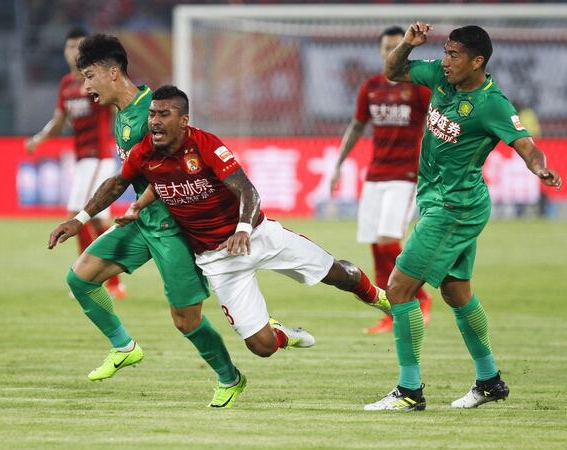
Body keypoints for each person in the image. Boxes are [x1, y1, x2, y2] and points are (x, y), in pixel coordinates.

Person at [50, 85, 393, 372]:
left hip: (258, 236)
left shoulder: (206, 145)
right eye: (152, 114)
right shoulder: (144, 153)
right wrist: (83, 218)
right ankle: (285, 335)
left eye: (163, 114)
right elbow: (117, 184)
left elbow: (248, 190)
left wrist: (243, 228)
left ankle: (380, 298)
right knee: (261, 347)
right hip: (218, 259)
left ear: (183, 120)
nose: (153, 121)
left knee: (338, 274)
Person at [47, 34, 266, 408]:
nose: (85, 86)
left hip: (174, 230)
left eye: (89, 76)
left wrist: (131, 206)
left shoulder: (155, 112)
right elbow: (126, 177)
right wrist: (82, 218)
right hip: (143, 223)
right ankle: (124, 346)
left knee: (186, 321)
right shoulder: (122, 116)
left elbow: (176, 169)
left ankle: (230, 377)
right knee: (80, 278)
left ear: (112, 72)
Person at [364, 23, 562, 411]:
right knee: (456, 292)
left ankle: (409, 391)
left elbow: (526, 145)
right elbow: (393, 71)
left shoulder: (493, 105)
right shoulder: (441, 76)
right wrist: (407, 44)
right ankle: (489, 381)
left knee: (400, 289)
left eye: (454, 55)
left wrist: (540, 168)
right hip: (442, 200)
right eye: (445, 52)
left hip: (455, 207)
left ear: (478, 61)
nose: (445, 60)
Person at [330, 26, 433, 334]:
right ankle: (390, 311)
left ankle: (421, 298)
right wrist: (337, 165)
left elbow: (433, 127)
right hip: (375, 174)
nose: (392, 51)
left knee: (389, 240)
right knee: (376, 244)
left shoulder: (418, 87)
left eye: (397, 46)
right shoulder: (371, 86)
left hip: (405, 174)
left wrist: (430, 166)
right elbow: (357, 126)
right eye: (387, 46)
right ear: (380, 50)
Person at [25, 28, 124, 299]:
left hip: (101, 155)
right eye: (69, 46)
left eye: (79, 46)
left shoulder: (98, 81)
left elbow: (119, 103)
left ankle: (89, 278)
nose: (73, 51)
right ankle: (111, 280)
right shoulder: (67, 84)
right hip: (82, 159)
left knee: (78, 214)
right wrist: (38, 139)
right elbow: (59, 120)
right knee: (97, 221)